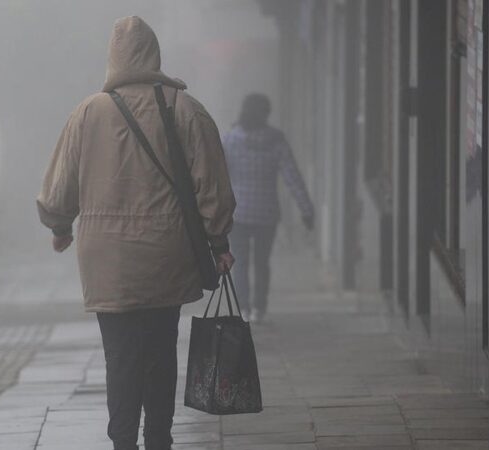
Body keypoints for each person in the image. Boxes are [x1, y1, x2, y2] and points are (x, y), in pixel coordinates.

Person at [37, 16, 236, 450]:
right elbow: (212, 185)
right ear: (154, 54)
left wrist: (59, 225)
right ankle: (159, 439)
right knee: (161, 351)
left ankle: (122, 441)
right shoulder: (186, 109)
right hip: (167, 256)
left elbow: (59, 187)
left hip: (107, 261)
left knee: (121, 357)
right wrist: (218, 240)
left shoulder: (87, 113)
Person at [223, 93, 314, 324]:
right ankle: (259, 308)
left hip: (238, 212)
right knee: (262, 262)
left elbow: (219, 175)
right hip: (266, 213)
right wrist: (306, 209)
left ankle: (243, 308)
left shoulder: (231, 139)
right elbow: (292, 177)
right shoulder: (276, 141)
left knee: (240, 262)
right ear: (265, 113)